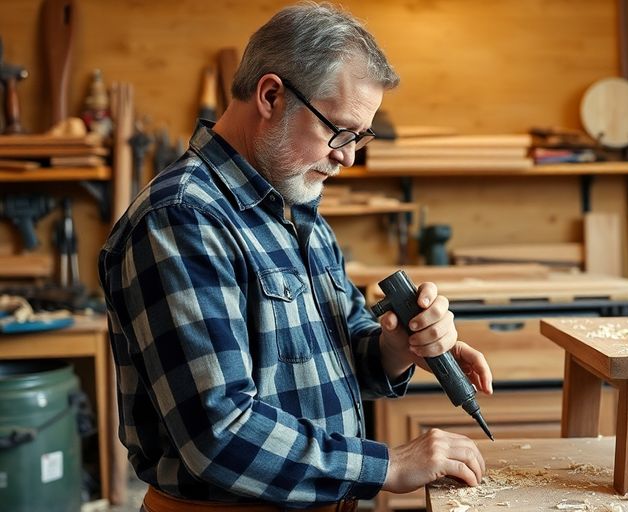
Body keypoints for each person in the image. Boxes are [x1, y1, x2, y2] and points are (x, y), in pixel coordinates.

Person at [99, 3, 492, 511]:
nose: (348, 155)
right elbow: (217, 434)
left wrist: (398, 348)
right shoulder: (181, 219)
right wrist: (388, 466)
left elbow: (343, 355)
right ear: (270, 95)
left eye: (360, 137)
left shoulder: (297, 211)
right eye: (340, 131)